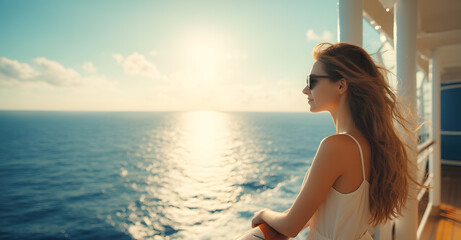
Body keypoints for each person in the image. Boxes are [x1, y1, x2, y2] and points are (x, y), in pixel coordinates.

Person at [246, 42, 426, 239]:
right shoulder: (370, 142)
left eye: (312, 81)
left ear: (341, 85)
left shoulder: (337, 146)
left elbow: (290, 226)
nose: (305, 89)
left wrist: (263, 213)